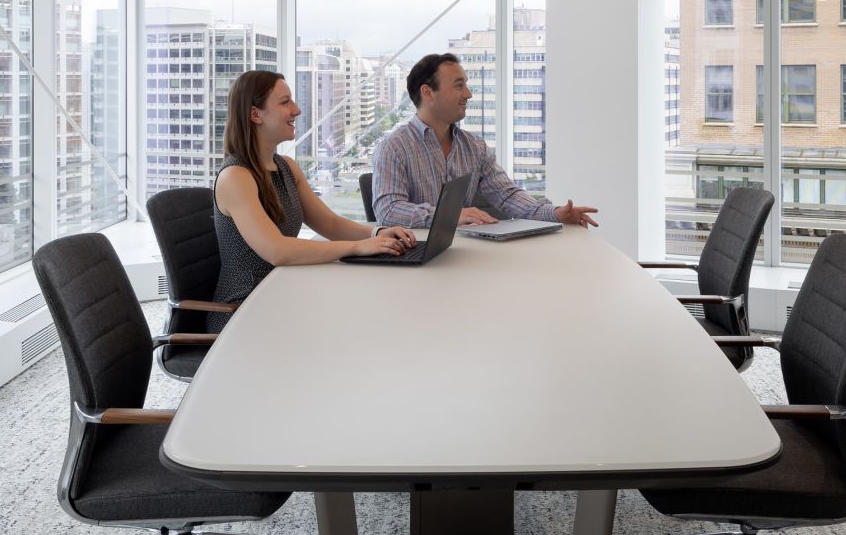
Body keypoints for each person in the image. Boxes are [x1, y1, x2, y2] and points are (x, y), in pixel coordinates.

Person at [208, 70, 419, 329]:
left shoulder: (286, 167)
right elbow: (277, 251)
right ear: (255, 115)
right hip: (244, 310)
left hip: (284, 292)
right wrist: (355, 248)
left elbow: (329, 224)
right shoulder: (235, 177)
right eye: (285, 102)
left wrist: (378, 232)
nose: (296, 110)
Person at [372, 53, 599, 231]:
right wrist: (450, 216)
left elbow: (508, 196)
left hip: (462, 255)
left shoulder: (474, 147)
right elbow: (388, 210)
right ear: (428, 93)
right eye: (459, 85)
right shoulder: (394, 147)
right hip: (413, 261)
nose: (468, 94)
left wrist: (556, 213)